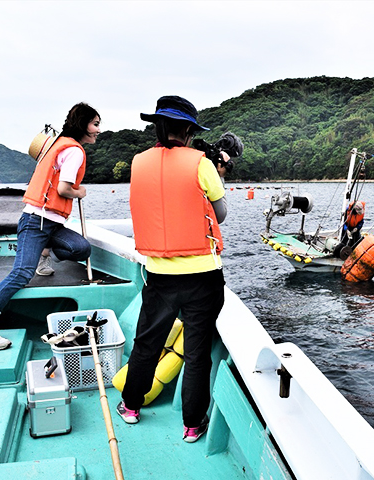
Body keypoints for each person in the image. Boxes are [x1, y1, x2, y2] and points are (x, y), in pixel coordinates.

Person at [117, 96, 228, 444]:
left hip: (160, 275)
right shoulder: (201, 163)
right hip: (203, 276)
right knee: (196, 353)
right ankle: (193, 425)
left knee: (147, 343)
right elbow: (220, 214)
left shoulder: (137, 162)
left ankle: (131, 406)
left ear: (158, 126)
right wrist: (216, 172)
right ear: (189, 131)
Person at [0, 103, 100, 350]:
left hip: (52, 225)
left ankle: (45, 251)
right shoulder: (74, 151)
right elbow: (64, 188)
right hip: (36, 222)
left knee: (81, 249)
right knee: (22, 273)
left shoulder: (59, 144)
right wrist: (81, 191)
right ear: (82, 124)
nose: (98, 130)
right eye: (95, 124)